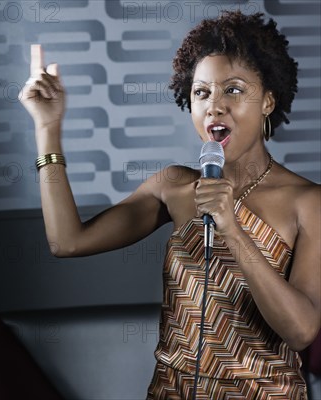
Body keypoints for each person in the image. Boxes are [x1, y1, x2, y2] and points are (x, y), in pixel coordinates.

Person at [19, 10, 320, 400]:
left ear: (267, 100)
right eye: (201, 92)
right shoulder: (173, 186)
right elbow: (68, 242)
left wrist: (232, 227)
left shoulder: (307, 203)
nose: (214, 106)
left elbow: (301, 331)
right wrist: (48, 129)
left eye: (233, 89)